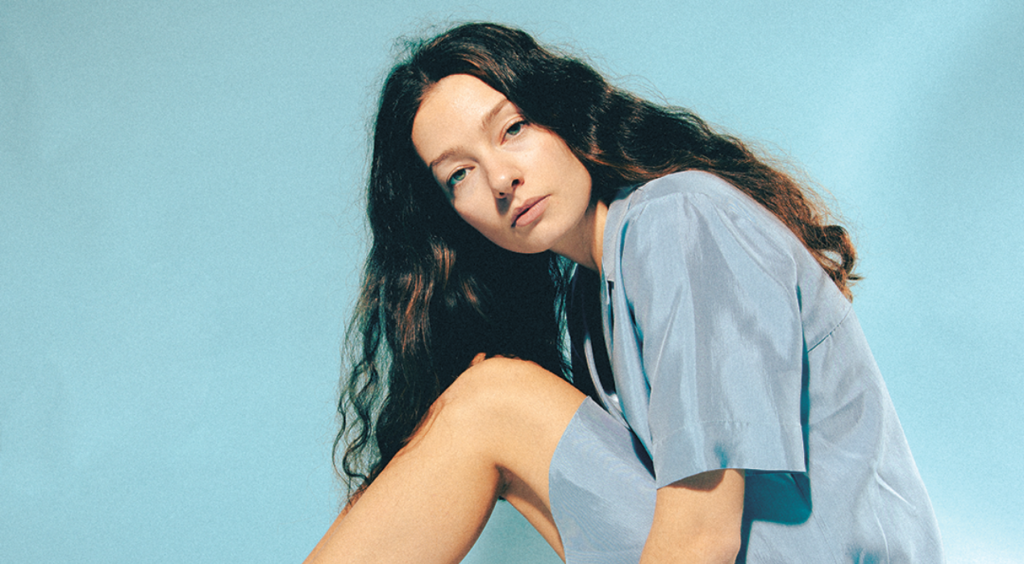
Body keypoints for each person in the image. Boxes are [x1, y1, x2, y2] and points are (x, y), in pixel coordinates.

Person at [305, 22, 944, 563]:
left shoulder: (677, 221)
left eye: (513, 128)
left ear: (559, 112)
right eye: (459, 175)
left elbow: (702, 536)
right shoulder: (595, 299)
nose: (500, 179)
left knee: (492, 403)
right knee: (485, 396)